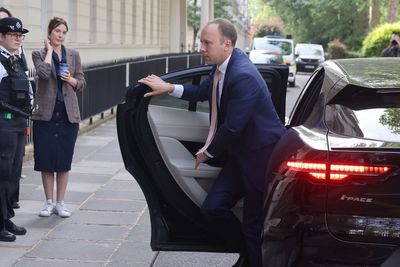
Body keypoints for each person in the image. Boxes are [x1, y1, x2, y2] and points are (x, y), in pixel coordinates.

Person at [139, 18, 286, 267]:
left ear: (226, 44)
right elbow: (204, 92)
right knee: (213, 209)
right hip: (241, 157)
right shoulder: (221, 67)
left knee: (253, 224)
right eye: (201, 42)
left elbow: (234, 126)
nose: (202, 48)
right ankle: (248, 255)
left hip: (261, 158)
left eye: (207, 43)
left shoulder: (243, 75)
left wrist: (208, 152)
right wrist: (169, 88)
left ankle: (253, 260)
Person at [32, 17, 86, 218]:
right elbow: (43, 74)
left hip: (67, 115)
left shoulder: (73, 55)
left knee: (63, 161)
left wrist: (71, 79)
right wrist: (48, 53)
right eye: (57, 31)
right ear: (49, 33)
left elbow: (81, 82)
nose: (61, 35)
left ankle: (61, 203)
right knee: (46, 160)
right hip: (45, 114)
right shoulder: (38, 54)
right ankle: (48, 202)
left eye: (64, 32)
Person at [0, 16, 30, 241]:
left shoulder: (16, 58)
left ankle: (6, 216)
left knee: (13, 173)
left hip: (19, 122)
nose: (18, 39)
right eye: (13, 35)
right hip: (4, 123)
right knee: (2, 173)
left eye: (20, 36)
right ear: (1, 37)